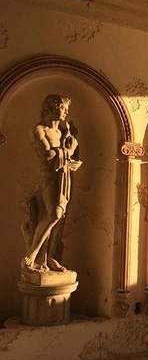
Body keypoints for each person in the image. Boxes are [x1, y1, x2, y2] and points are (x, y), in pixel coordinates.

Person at [21, 94, 82, 272]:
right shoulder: (39, 130)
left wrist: (74, 162)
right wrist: (69, 151)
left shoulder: (63, 131)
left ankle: (50, 258)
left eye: (66, 109)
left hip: (65, 176)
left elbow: (68, 155)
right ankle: (32, 255)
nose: (66, 112)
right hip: (49, 178)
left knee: (61, 219)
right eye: (62, 108)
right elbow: (47, 156)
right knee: (54, 214)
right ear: (50, 108)